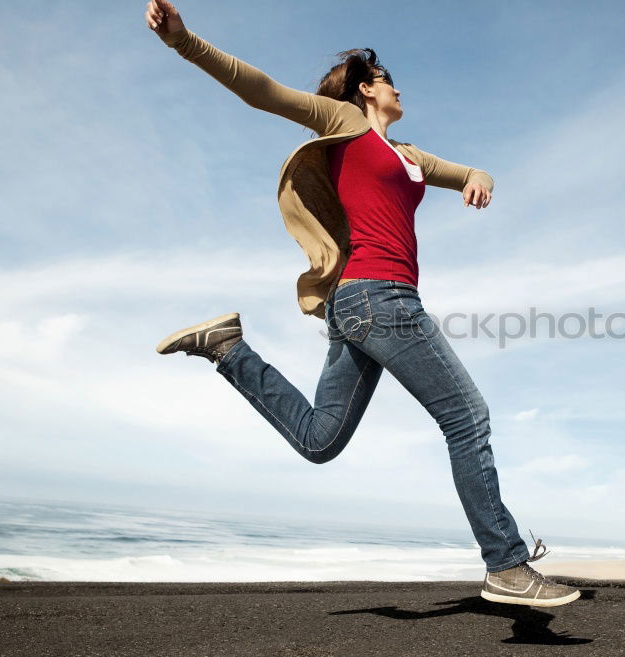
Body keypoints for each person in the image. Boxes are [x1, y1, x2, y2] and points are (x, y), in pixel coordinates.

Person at [144, 0, 580, 607]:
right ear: (367, 89)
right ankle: (505, 565)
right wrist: (184, 41)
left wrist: (479, 173)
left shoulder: (406, 154)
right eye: (390, 81)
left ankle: (228, 349)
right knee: (467, 419)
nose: (400, 89)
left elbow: (465, 171)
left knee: (320, 440)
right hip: (379, 297)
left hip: (358, 307)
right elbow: (261, 90)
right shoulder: (340, 121)